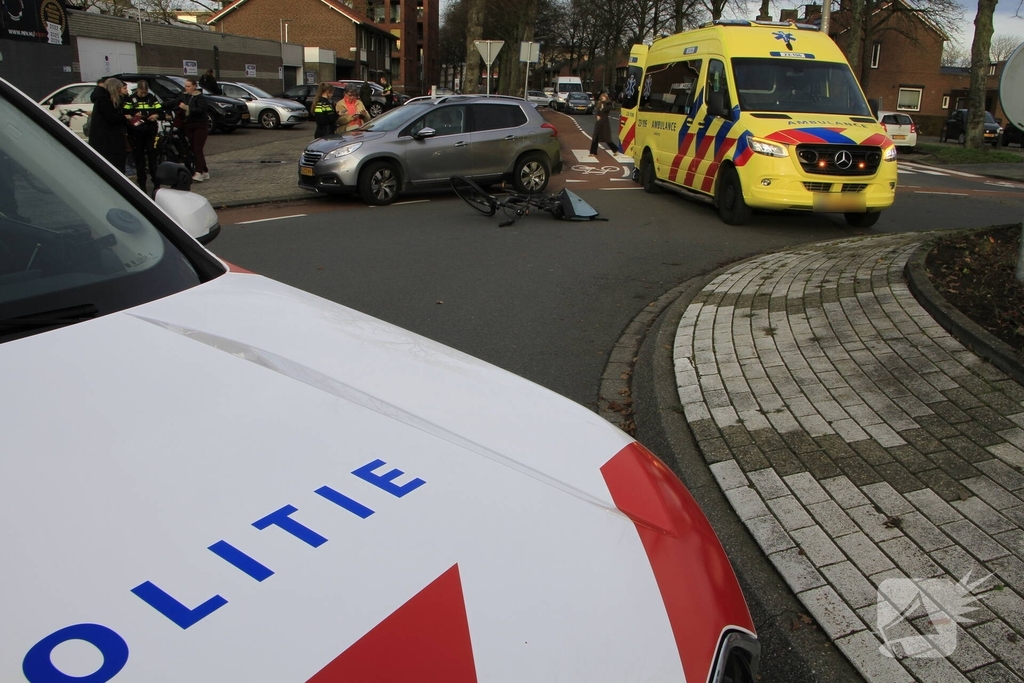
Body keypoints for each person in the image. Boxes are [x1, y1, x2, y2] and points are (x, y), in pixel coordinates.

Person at [167, 78, 210, 182]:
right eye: (185, 86)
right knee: (194, 148)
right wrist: (161, 108)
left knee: (197, 149)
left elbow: (201, 110)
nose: (187, 88)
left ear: (194, 86)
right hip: (189, 125)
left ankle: (199, 172)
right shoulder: (184, 96)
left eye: (189, 86)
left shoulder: (200, 97)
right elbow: (173, 103)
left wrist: (188, 108)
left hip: (200, 125)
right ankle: (204, 171)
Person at [123, 79, 162, 192]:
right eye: (141, 92)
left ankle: (156, 183)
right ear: (138, 90)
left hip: (150, 131)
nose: (143, 95)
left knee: (152, 158)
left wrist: (155, 115)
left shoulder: (152, 98)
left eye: (145, 92)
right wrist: (133, 115)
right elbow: (124, 113)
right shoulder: (131, 99)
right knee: (139, 160)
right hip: (136, 133)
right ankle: (142, 184)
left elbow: (160, 111)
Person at [88, 78, 130, 174]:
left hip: (106, 141)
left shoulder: (102, 99)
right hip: (108, 142)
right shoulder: (104, 101)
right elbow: (111, 117)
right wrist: (124, 118)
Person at [590, 91, 621, 156]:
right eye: (601, 97)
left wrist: (603, 103)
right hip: (598, 123)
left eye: (603, 97)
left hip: (605, 123)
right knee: (595, 138)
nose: (602, 99)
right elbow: (597, 112)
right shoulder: (599, 104)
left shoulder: (608, 104)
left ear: (606, 98)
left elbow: (606, 110)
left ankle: (615, 150)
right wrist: (597, 116)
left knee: (607, 139)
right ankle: (593, 152)